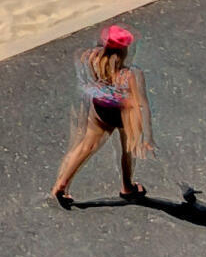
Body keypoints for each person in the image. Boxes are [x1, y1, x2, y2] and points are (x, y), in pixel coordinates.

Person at [51, 24, 149, 205]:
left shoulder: (92, 58)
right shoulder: (127, 74)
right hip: (120, 112)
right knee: (126, 149)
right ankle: (127, 187)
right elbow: (136, 102)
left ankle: (61, 185)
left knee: (85, 146)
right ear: (124, 51)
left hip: (101, 107)